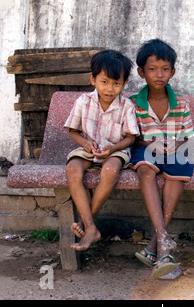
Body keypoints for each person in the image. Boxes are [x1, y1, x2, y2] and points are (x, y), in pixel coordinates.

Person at [130, 39, 194, 279]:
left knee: (176, 176)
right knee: (146, 172)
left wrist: (174, 145)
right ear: (141, 72)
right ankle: (164, 245)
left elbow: (188, 137)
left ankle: (156, 245)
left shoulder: (182, 105)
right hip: (145, 150)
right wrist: (151, 146)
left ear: (172, 72)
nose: (159, 74)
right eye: (152, 69)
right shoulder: (133, 105)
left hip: (174, 151)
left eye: (165, 69)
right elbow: (130, 137)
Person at [64, 49, 139, 251]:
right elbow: (73, 131)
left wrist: (112, 148)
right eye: (104, 81)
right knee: (72, 169)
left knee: (110, 170)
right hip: (89, 147)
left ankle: (84, 223)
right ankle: (90, 227)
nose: (109, 88)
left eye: (116, 83)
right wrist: (85, 143)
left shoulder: (126, 106)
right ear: (93, 79)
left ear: (124, 83)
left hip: (115, 150)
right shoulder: (83, 102)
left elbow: (131, 137)